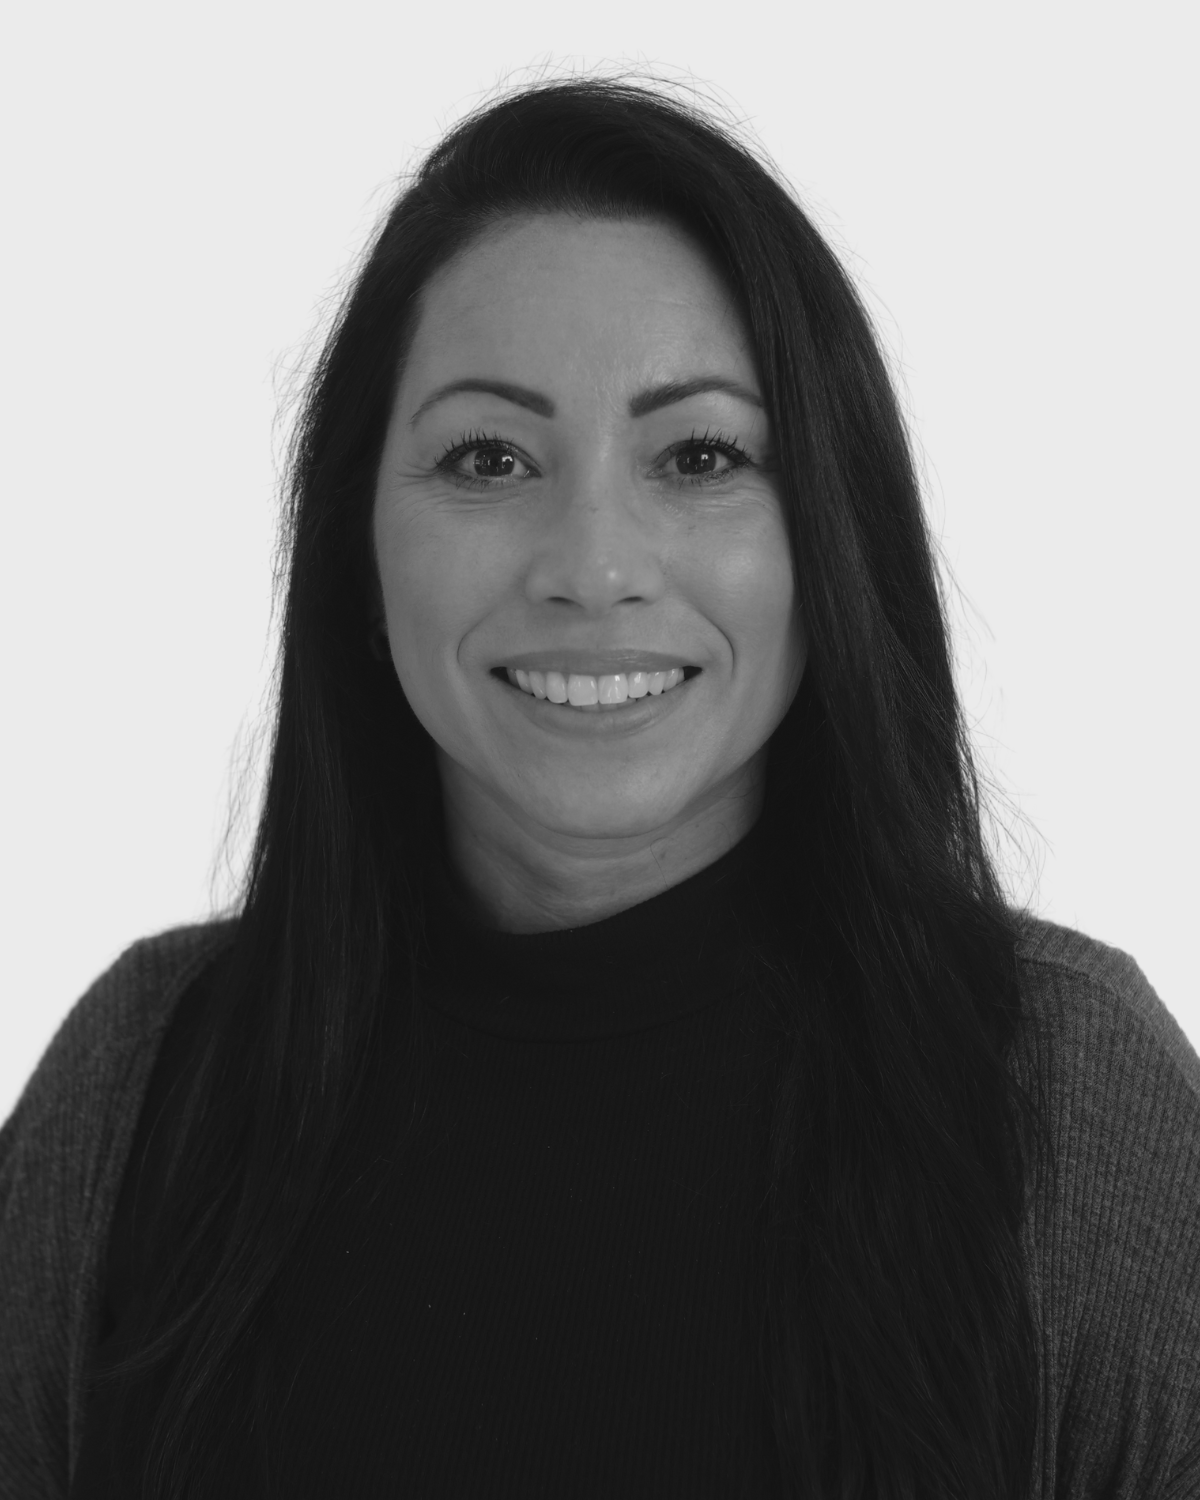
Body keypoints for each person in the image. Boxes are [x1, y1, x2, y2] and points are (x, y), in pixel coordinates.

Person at [1, 76, 1197, 1500]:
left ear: (828, 535)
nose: (594, 564)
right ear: (358, 554)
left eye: (700, 456)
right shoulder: (140, 1088)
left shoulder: (1073, 1102)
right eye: (488, 457)